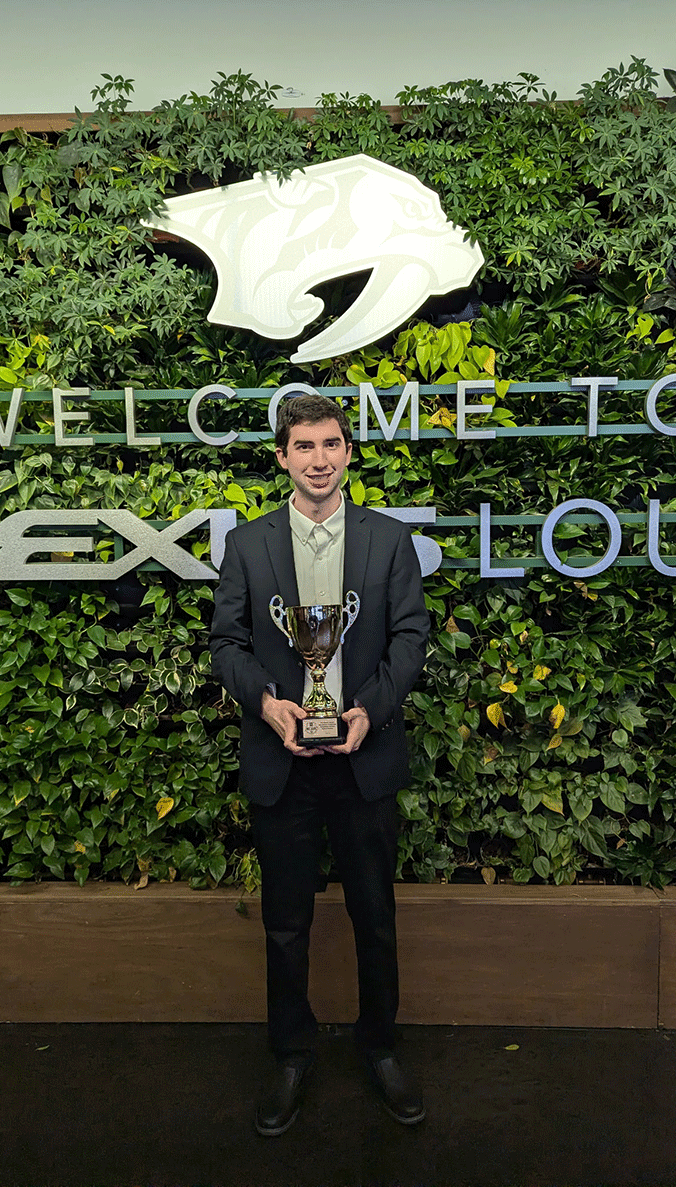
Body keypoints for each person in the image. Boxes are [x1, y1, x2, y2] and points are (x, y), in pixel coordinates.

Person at [209, 393, 431, 1136]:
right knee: (285, 923)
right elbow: (226, 646)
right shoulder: (248, 544)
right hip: (284, 760)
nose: (319, 459)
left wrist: (368, 708)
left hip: (362, 759)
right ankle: (292, 1051)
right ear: (282, 456)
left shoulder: (389, 540)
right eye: (303, 446)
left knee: (376, 914)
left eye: (330, 444)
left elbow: (409, 637)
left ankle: (381, 1046)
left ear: (346, 450)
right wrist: (270, 705)